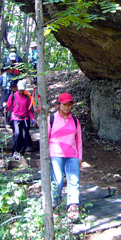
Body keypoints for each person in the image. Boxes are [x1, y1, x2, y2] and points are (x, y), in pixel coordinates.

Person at [48, 92, 82, 220]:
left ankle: (73, 206)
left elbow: (79, 140)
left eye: (69, 105)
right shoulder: (51, 119)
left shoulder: (74, 120)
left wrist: (80, 157)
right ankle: (55, 206)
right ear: (59, 105)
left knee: (74, 180)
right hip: (55, 154)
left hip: (72, 154)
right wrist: (45, 157)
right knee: (58, 181)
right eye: (64, 104)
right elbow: (46, 138)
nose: (67, 107)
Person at [6, 79, 34, 157]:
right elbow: (8, 107)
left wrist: (32, 118)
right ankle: (15, 151)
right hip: (15, 117)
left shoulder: (27, 97)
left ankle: (21, 151)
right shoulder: (13, 96)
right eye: (20, 89)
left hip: (24, 118)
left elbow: (29, 110)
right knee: (17, 134)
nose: (21, 91)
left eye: (22, 90)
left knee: (24, 135)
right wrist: (5, 107)